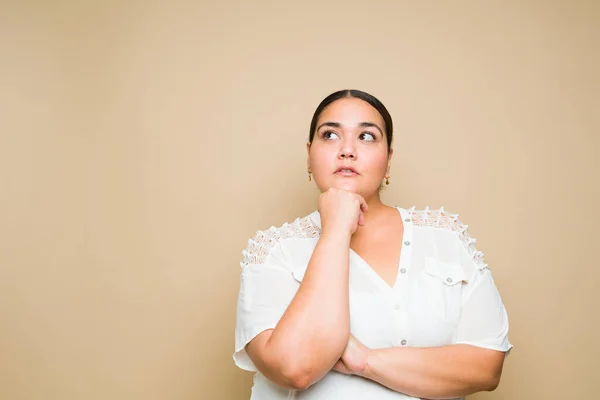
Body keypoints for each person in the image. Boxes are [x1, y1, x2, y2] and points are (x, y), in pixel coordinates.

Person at [233, 89, 512, 399]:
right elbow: (295, 368)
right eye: (330, 135)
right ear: (309, 155)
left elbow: (486, 367)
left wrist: (364, 360)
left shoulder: (445, 237)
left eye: (366, 136)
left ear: (388, 159)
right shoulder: (273, 251)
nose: (347, 150)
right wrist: (336, 229)